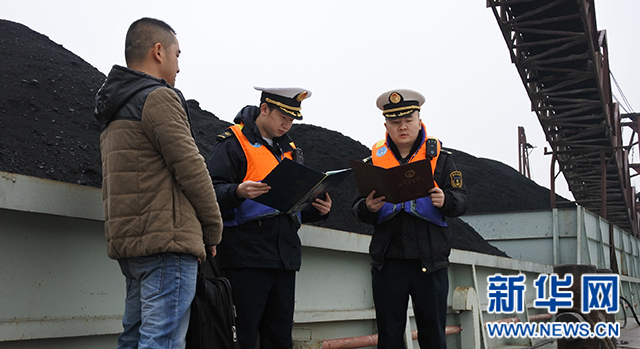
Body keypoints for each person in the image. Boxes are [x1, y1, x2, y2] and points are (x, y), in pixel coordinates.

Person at [94, 18, 223, 349]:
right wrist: (212, 229)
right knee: (162, 341)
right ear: (158, 51)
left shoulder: (116, 106)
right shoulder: (158, 98)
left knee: (134, 337)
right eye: (177, 55)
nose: (179, 67)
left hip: (132, 244)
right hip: (168, 243)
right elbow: (191, 168)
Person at [207, 87, 332, 349]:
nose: (287, 124)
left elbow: (287, 207)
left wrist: (316, 210)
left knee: (279, 338)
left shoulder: (291, 149)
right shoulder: (233, 142)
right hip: (245, 258)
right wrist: (237, 190)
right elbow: (208, 192)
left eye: (292, 119)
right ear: (264, 109)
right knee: (242, 336)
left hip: (283, 260)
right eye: (283, 117)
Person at [351, 89, 468, 349]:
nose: (402, 127)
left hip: (431, 261)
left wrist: (445, 201)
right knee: (389, 334)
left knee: (433, 333)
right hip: (388, 261)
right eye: (395, 122)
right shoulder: (373, 162)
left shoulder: (442, 159)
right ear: (386, 125)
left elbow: (461, 199)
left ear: (419, 119)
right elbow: (357, 208)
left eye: (408, 120)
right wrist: (368, 207)